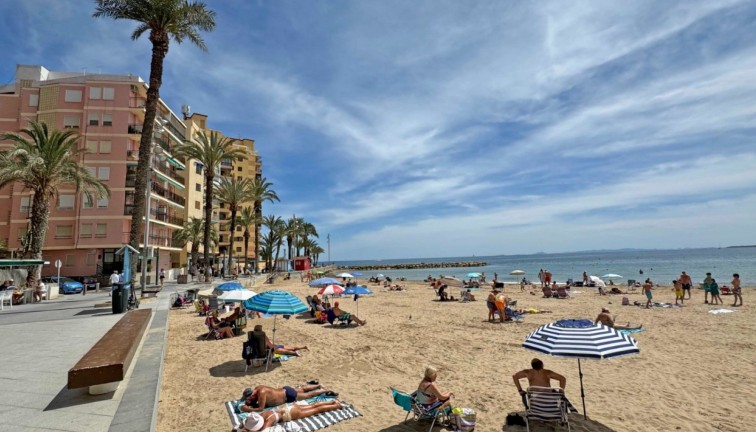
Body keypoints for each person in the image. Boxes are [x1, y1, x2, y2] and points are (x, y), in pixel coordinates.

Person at [236, 400, 345, 431]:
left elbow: (262, 430)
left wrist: (242, 428)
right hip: (288, 408)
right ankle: (332, 402)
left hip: (292, 414)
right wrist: (242, 426)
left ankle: (337, 406)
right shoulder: (263, 415)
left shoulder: (268, 421)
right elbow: (247, 421)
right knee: (314, 405)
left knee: (317, 410)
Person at [238, 384, 336, 412]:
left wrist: (248, 410)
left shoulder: (261, 394)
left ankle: (324, 390)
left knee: (308, 395)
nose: (248, 400)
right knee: (302, 389)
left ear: (252, 395)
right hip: (284, 389)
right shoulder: (257, 388)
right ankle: (318, 385)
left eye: (248, 398)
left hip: (288, 396)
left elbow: (261, 408)